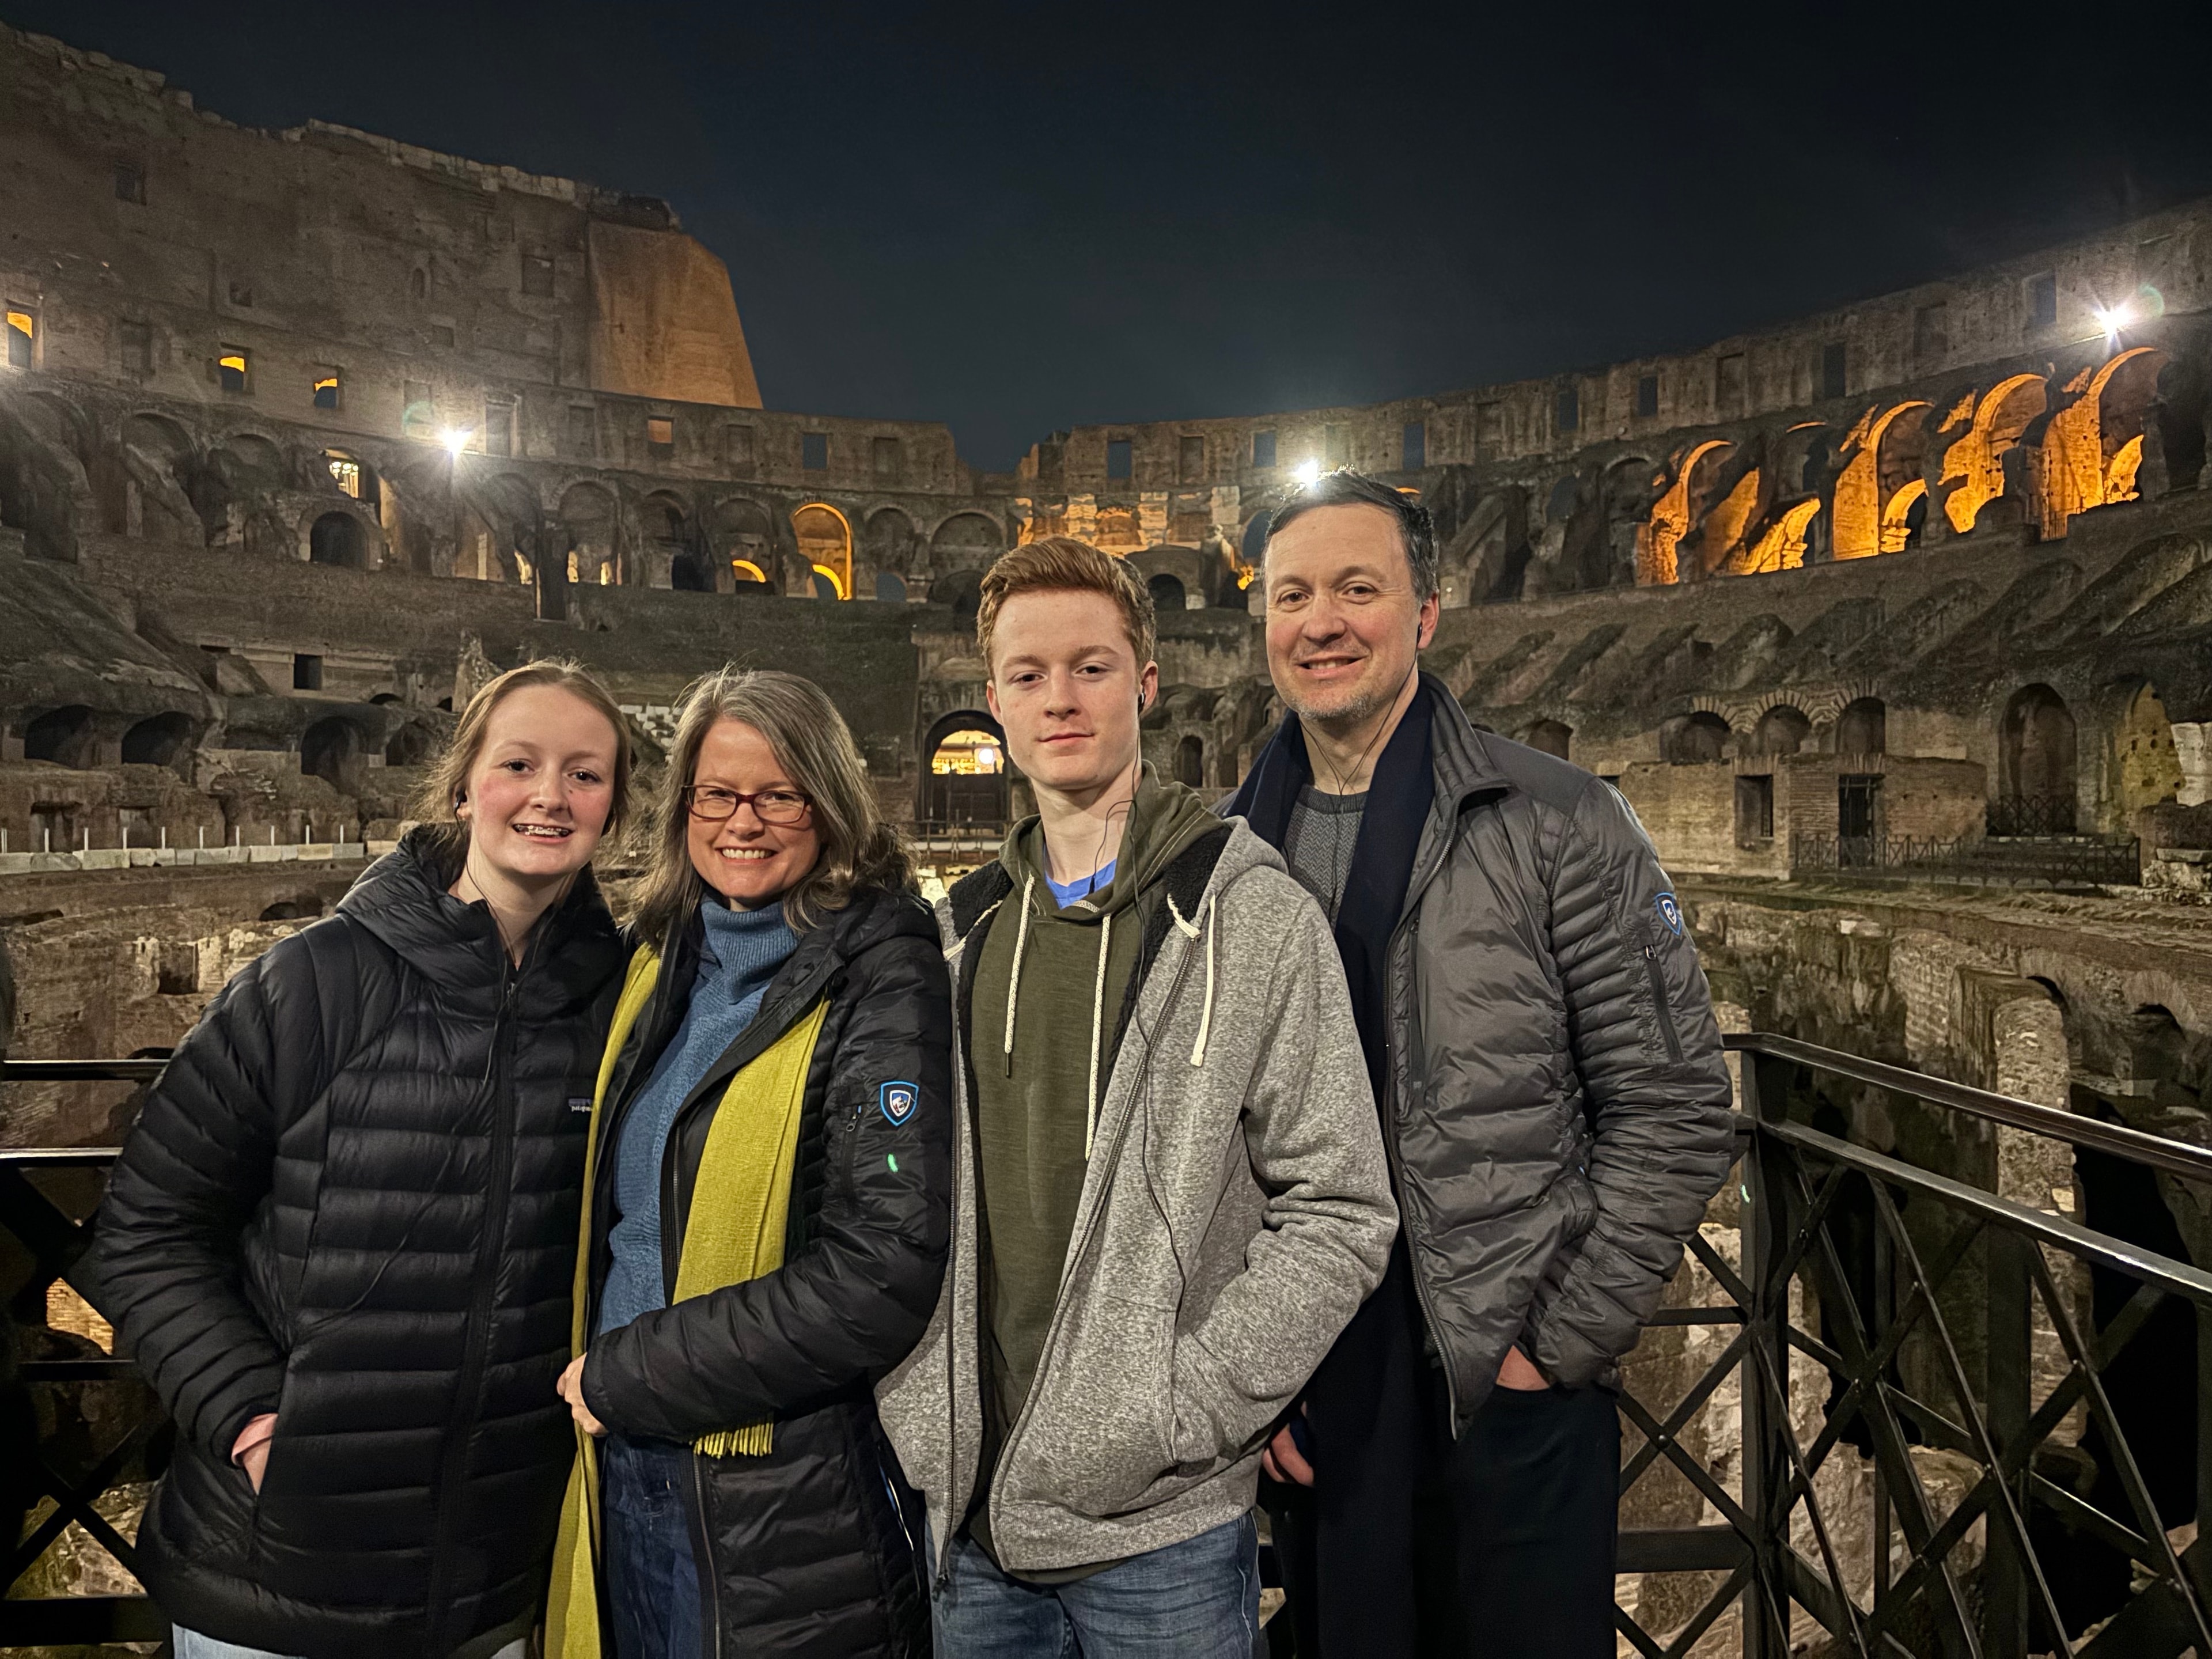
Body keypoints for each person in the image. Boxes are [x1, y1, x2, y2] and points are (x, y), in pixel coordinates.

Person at [1228, 469, 1739, 1658]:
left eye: (1360, 587)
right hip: (1316, 1379)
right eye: (1293, 593)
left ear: (1426, 613)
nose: (1323, 621)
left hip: (1510, 1381)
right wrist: (1243, 1371)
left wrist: (1550, 1349)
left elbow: (1672, 1104)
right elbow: (1203, 1143)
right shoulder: (1224, 852)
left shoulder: (1561, 819)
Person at [876, 536, 1398, 1658]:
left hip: (1160, 1530)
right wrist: (913, 1407)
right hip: (966, 1514)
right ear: (993, 701)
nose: (1059, 699)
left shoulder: (1253, 916)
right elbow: (891, 1182)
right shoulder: (957, 935)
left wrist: (1192, 1410)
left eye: (1091, 667)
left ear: (1146, 684)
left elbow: (1342, 1207)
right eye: (1028, 675)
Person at [91, 660, 635, 1659]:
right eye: (520, 762)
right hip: (272, 1576)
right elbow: (146, 1228)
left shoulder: (622, 1010)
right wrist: (252, 1418)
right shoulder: (311, 982)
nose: (551, 796)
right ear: (466, 779)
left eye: (587, 775)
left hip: (493, 1586)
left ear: (616, 806)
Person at [547, 666, 950, 1659]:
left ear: (830, 805)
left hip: (776, 1490)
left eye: (781, 794)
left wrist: (630, 1371)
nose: (746, 821)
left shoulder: (881, 969)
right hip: (620, 1461)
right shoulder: (659, 962)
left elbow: (880, 1270)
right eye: (719, 793)